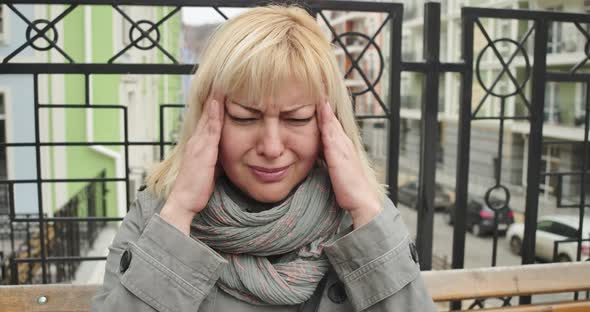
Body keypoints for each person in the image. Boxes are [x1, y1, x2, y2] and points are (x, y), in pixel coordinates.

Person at [91, 5, 436, 312]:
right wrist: (180, 211)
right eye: (245, 117)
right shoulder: (158, 211)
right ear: (209, 119)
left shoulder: (363, 215)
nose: (271, 147)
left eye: (297, 118)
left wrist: (365, 211)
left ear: (328, 124)